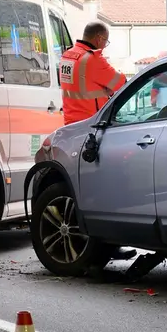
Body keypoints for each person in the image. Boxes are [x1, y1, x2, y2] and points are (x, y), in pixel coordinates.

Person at [58, 21, 134, 261]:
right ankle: (109, 243)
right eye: (106, 41)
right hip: (94, 129)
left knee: (81, 190)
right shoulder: (92, 59)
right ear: (100, 38)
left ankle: (83, 244)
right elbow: (120, 84)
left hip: (71, 127)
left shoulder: (68, 57)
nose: (105, 46)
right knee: (107, 189)